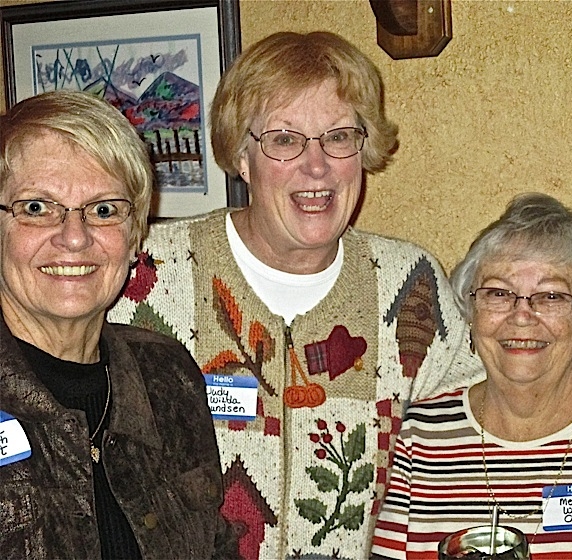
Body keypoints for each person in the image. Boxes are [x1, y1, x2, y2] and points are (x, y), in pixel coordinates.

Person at [107, 31, 484, 559]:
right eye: (285, 140)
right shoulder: (147, 271)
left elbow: (471, 446)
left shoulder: (409, 280)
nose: (317, 166)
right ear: (242, 156)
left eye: (338, 137)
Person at [0, 91, 238, 559]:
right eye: (36, 207)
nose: (74, 236)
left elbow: (215, 547)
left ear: (134, 238)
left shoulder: (166, 374)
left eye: (104, 209)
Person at [371, 193, 572, 559]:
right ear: (470, 310)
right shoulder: (418, 436)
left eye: (551, 296)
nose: (522, 315)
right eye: (498, 293)